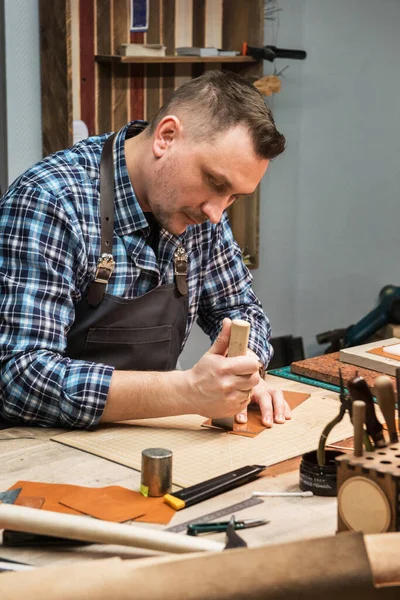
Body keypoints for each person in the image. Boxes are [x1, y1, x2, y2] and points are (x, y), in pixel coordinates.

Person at [0, 70, 291, 430]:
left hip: (148, 437)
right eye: (215, 183)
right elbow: (20, 375)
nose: (217, 212)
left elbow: (240, 307)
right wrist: (186, 392)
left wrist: (241, 373)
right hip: (45, 451)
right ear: (166, 137)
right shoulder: (50, 200)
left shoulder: (202, 213)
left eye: (233, 196)